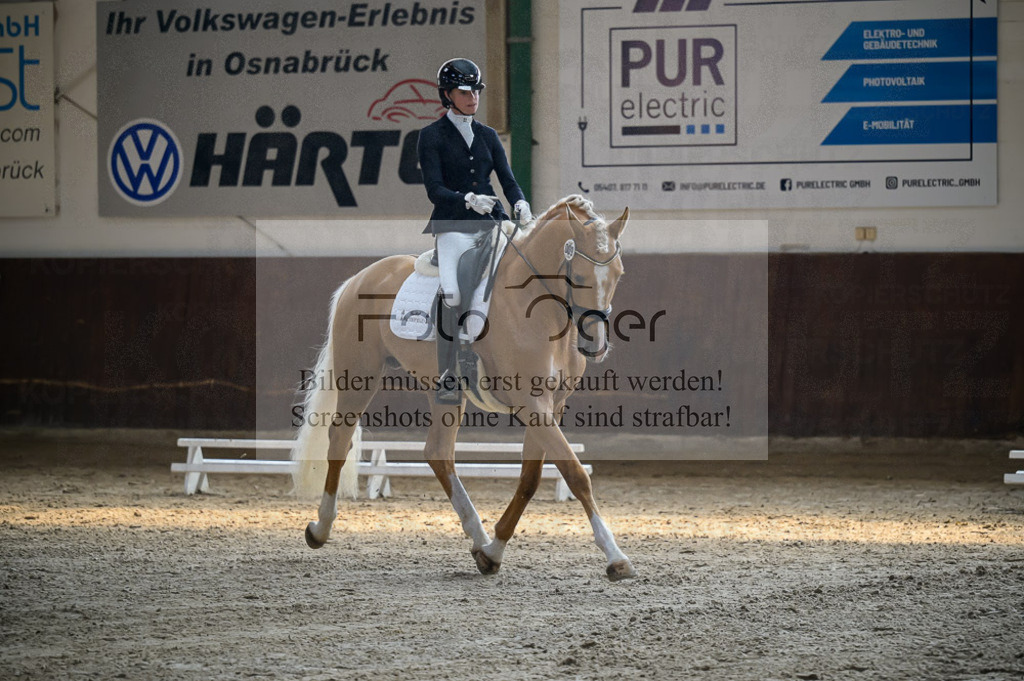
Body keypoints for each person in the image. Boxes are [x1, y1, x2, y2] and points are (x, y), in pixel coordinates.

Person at [417, 57, 532, 404]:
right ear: (448, 94)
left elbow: (507, 180)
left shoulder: (487, 135)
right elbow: (434, 189)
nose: (473, 98)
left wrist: (521, 203)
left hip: (492, 222)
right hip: (453, 225)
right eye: (465, 92)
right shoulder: (431, 136)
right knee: (452, 293)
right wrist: (466, 199)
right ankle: (449, 374)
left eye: (476, 91)